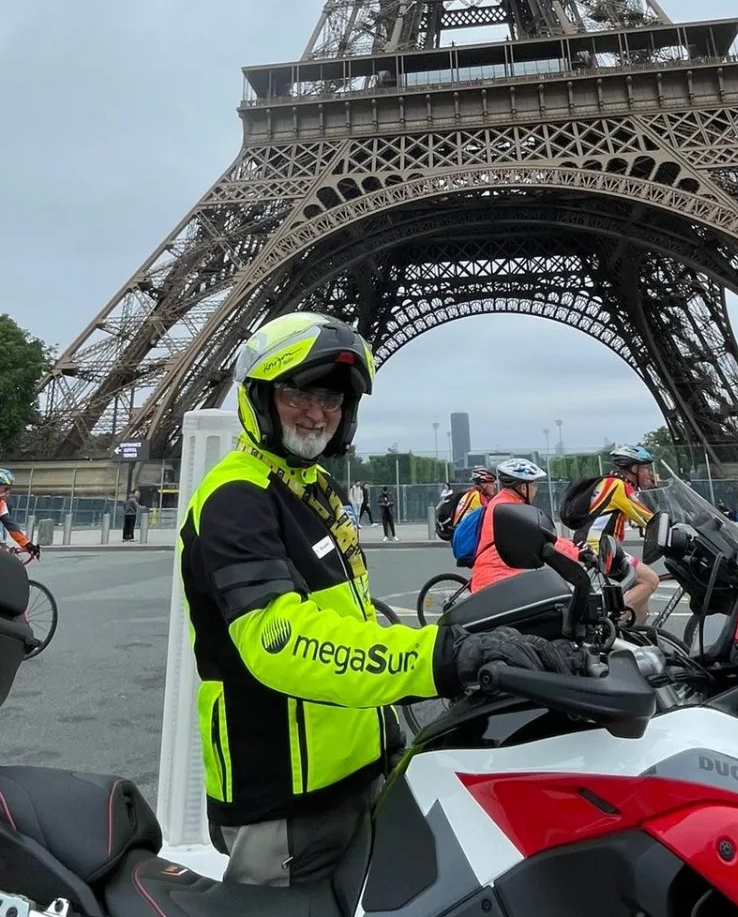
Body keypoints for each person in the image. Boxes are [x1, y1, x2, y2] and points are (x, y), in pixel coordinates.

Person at [178, 312, 569, 887]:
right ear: (258, 397)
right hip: (287, 796)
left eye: (332, 399)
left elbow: (350, 620)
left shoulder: (311, 490)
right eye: (298, 393)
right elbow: (278, 639)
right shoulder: (237, 497)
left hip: (355, 772)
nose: (317, 413)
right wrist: (441, 656)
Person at [575, 446, 662, 621]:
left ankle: (634, 633)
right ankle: (607, 622)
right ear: (633, 469)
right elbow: (648, 519)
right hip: (600, 548)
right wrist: (676, 528)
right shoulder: (619, 486)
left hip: (592, 544)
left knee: (641, 595)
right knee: (650, 580)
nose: (649, 473)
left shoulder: (607, 482)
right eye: (645, 468)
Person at [470, 458, 581, 592]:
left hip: (498, 576)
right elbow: (543, 539)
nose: (536, 489)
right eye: (534, 485)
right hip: (496, 581)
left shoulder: (503, 503)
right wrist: (578, 553)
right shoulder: (511, 510)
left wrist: (575, 547)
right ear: (523, 487)